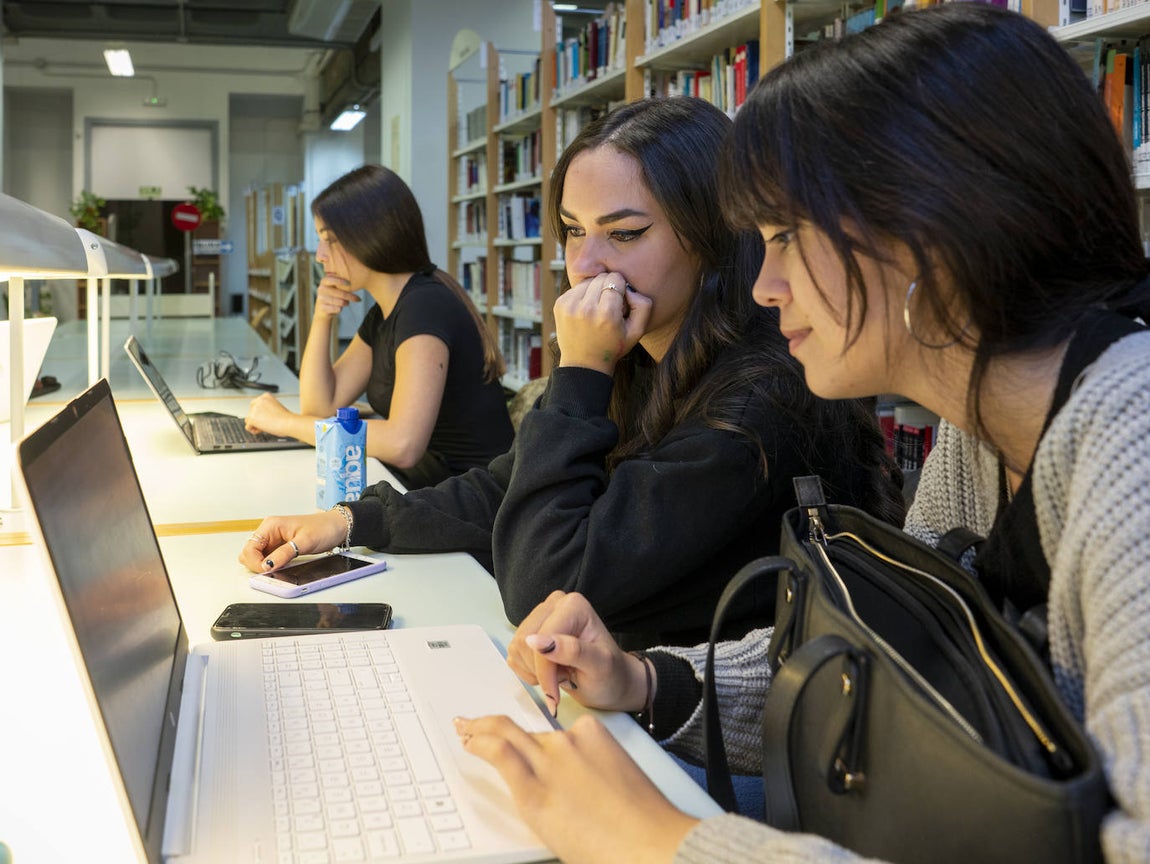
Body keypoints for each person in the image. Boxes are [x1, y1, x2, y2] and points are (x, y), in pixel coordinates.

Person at [452, 4, 1150, 862]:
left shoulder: (1134, 445)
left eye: (784, 237)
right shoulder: (981, 432)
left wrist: (661, 842)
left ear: (929, 235)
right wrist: (646, 679)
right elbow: (878, 672)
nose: (766, 284)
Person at [240, 96, 903, 650]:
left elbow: (539, 584)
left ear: (709, 234)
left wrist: (582, 367)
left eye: (624, 233)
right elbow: (506, 487)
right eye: (571, 231)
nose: (584, 266)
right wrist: (351, 522)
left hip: (712, 745)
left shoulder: (756, 399)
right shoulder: (653, 354)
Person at [242, 164, 513, 489]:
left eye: (329, 240)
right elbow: (320, 406)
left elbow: (403, 445)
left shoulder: (424, 307)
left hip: (471, 500)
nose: (319, 255)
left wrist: (285, 423)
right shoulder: (385, 312)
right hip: (434, 487)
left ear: (370, 236)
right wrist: (322, 317)